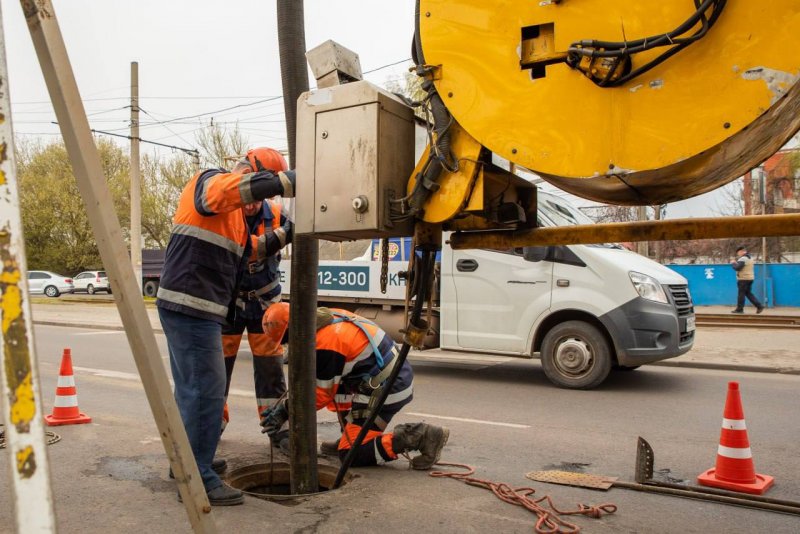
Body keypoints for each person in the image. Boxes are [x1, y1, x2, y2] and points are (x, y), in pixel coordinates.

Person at [157, 147, 295, 506]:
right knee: (206, 389)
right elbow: (225, 190)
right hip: (192, 304)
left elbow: (252, 249)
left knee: (192, 389)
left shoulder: (233, 218)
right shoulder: (211, 182)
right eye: (261, 190)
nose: (259, 203)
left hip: (197, 306)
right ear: (246, 172)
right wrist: (286, 182)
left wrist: (291, 231)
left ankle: (186, 462)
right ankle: (198, 478)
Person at [259, 304, 449, 470]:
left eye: (286, 340)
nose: (287, 345)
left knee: (351, 454)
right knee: (342, 401)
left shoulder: (326, 345)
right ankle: (348, 436)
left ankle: (420, 436)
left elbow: (316, 396)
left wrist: (285, 410)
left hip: (388, 388)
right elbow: (337, 390)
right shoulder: (329, 316)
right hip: (388, 378)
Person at [221, 195, 291, 441]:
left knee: (270, 371)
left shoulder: (278, 213)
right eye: (245, 201)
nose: (250, 206)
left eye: (255, 201)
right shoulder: (226, 212)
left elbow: (302, 228)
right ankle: (212, 423)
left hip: (264, 305)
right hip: (230, 302)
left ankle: (277, 428)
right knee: (217, 369)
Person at [730, 245, 764, 314]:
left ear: (741, 252)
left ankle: (739, 309)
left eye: (738, 253)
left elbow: (738, 268)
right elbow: (744, 266)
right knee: (748, 293)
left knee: (741, 294)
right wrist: (737, 263)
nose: (738, 254)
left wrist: (733, 263)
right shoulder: (750, 258)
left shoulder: (743, 259)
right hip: (750, 278)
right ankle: (759, 306)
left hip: (743, 279)